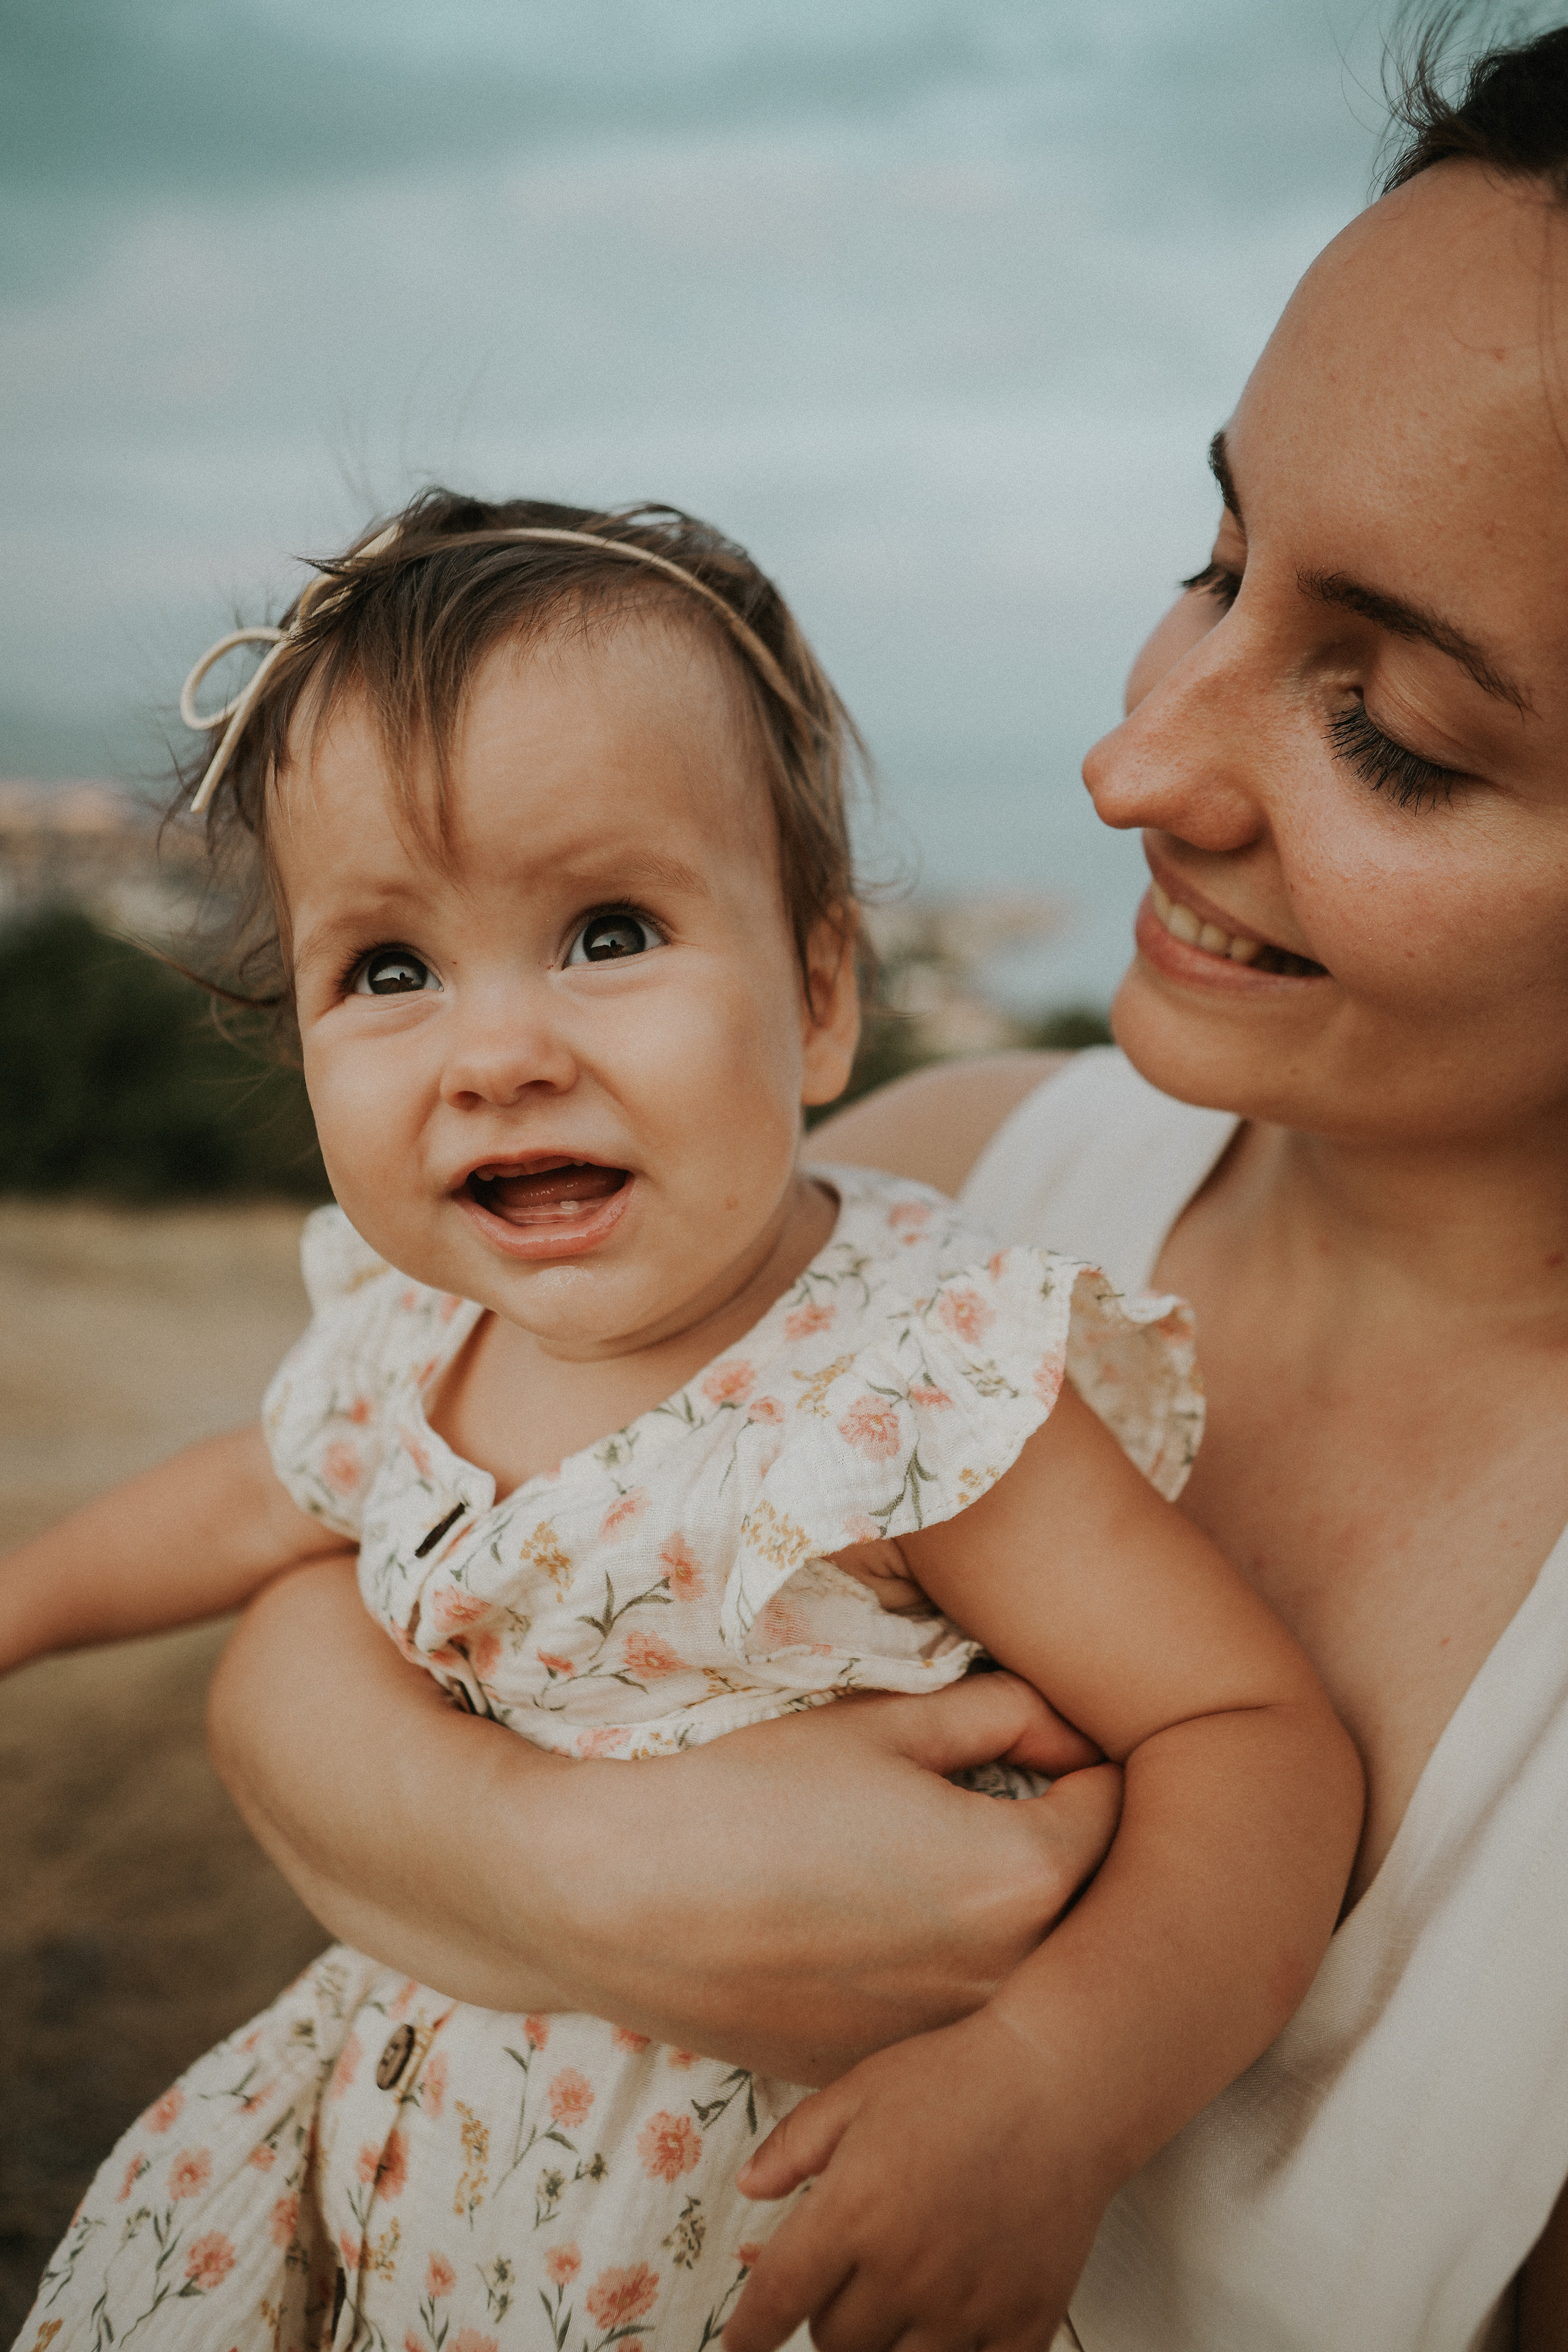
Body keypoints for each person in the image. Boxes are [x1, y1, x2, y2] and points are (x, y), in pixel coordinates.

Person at [169, 20, 1568, 2350]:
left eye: (1394, 732)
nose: (1135, 761)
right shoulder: (931, 1180)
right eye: (1215, 562)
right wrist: (584, 1874)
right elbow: (338, 1565)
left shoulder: (934, 1342)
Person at [5, 494, 1359, 2351]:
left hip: (735, 2261)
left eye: (609, 931)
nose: (498, 1053)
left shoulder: (900, 1380)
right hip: (394, 2206)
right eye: (389, 970)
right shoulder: (413, 1339)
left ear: (815, 1000)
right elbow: (240, 1505)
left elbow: (1250, 1734)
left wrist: (1055, 2081)